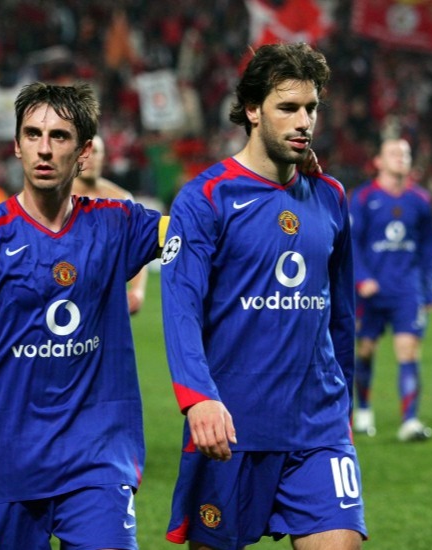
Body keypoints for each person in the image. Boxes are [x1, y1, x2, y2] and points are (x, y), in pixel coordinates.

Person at [0, 82, 165, 549]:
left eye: (60, 137)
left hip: (95, 462)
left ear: (85, 152)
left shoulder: (118, 224)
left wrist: (284, 176)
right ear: (16, 145)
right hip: (0, 462)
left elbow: (205, 226)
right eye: (32, 135)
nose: (44, 149)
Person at [159, 43, 367, 550]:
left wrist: (344, 407)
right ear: (253, 110)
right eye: (288, 107)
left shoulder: (330, 197)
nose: (304, 122)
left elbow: (341, 316)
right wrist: (197, 396)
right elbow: (181, 307)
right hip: (231, 426)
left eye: (311, 108)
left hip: (318, 426)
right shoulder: (206, 197)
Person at [348, 137, 432, 442]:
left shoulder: (421, 201)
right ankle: (363, 410)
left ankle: (410, 421)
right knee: (365, 350)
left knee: (408, 350)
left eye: (406, 153)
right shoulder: (362, 199)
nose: (402, 157)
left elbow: (429, 249)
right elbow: (351, 244)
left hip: (406, 291)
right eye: (394, 153)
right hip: (369, 291)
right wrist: (362, 278)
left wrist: (429, 289)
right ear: (378, 161)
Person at [73, 134, 149, 314]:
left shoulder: (121, 200)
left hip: (108, 301)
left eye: (96, 152)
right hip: (63, 295)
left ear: (103, 157)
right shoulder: (55, 198)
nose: (90, 157)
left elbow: (137, 247)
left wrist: (137, 290)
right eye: (85, 151)